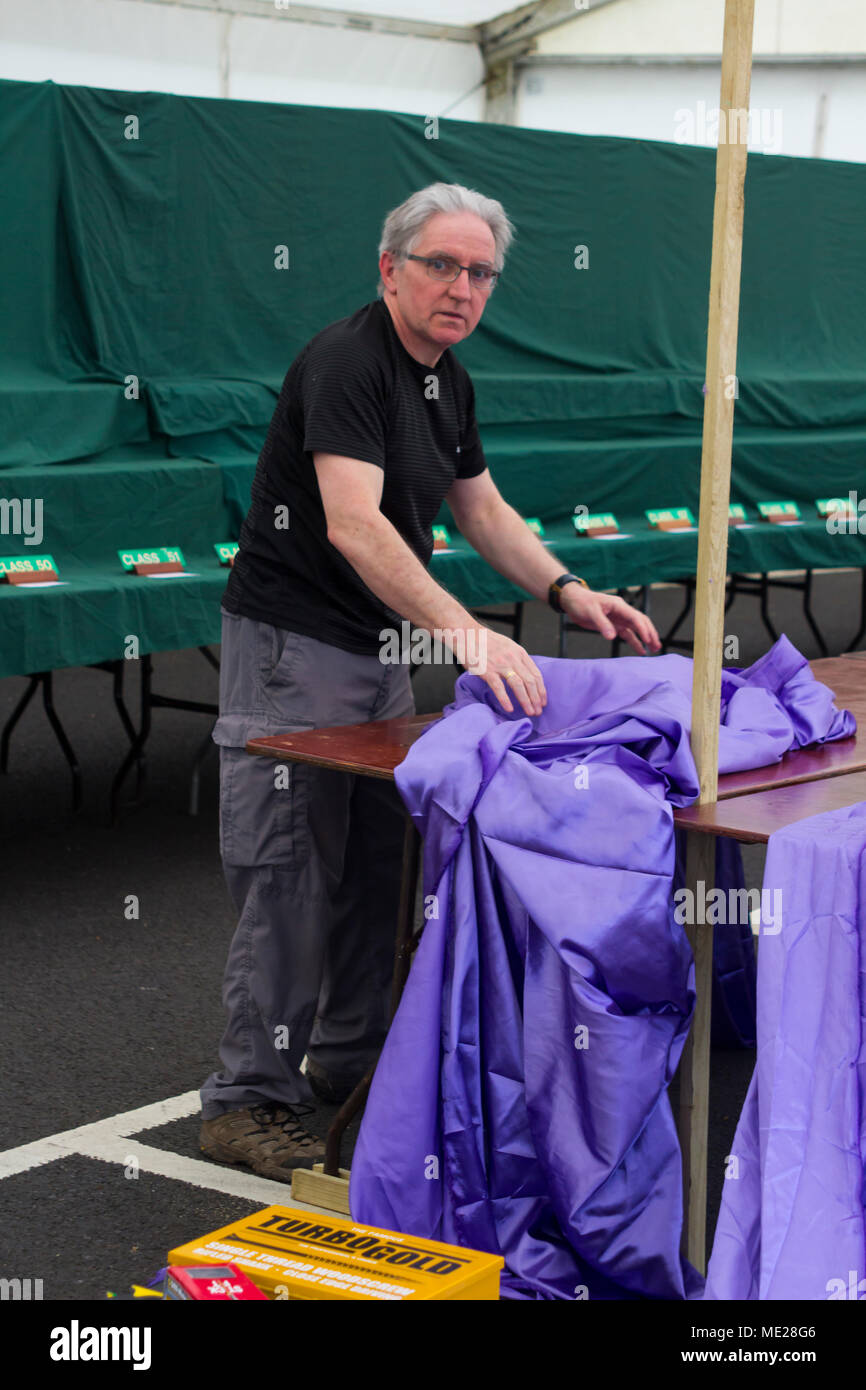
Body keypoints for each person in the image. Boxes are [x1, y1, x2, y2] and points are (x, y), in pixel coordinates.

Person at [199, 181, 660, 1182]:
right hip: (294, 645)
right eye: (439, 265)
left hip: (381, 651)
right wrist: (467, 635)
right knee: (290, 872)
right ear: (389, 269)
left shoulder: (445, 381)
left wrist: (567, 588)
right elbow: (354, 521)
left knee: (377, 861)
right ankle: (247, 1097)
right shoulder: (345, 363)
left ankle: (350, 1065)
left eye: (479, 272)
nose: (460, 286)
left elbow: (479, 507)